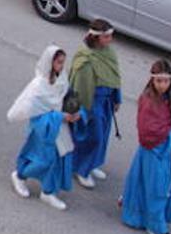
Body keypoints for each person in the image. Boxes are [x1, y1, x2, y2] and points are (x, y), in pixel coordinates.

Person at [119, 59, 171, 234]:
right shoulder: (147, 100)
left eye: (166, 81)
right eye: (159, 81)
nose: (163, 85)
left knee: (143, 181)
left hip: (167, 151)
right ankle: (155, 225)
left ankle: (131, 203)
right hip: (153, 151)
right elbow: (146, 130)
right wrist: (170, 132)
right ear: (152, 80)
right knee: (158, 188)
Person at [7, 45, 80, 210]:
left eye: (63, 62)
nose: (62, 66)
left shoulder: (62, 78)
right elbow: (35, 112)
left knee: (58, 159)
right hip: (43, 128)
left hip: (58, 126)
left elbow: (66, 96)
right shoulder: (38, 85)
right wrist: (60, 117)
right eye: (59, 62)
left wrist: (74, 111)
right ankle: (20, 175)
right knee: (43, 160)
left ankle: (48, 191)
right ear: (50, 62)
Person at [69, 18, 122, 189]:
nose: (110, 40)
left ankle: (92, 164)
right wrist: (85, 110)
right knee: (93, 137)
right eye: (106, 36)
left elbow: (115, 76)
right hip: (91, 104)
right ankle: (81, 170)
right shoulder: (84, 59)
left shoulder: (109, 53)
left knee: (103, 137)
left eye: (110, 36)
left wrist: (116, 98)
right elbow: (79, 86)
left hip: (106, 102)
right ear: (96, 38)